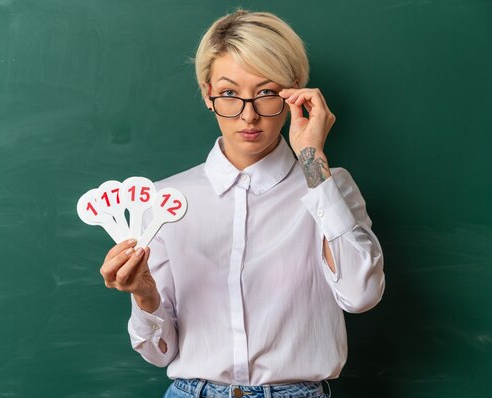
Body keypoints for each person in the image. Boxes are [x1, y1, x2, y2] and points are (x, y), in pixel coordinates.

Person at [99, 9, 385, 398]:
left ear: (293, 92)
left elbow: (361, 295)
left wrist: (312, 158)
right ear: (207, 93)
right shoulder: (166, 201)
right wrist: (144, 294)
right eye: (230, 94)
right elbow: (158, 353)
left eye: (266, 92)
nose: (248, 116)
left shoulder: (330, 188)